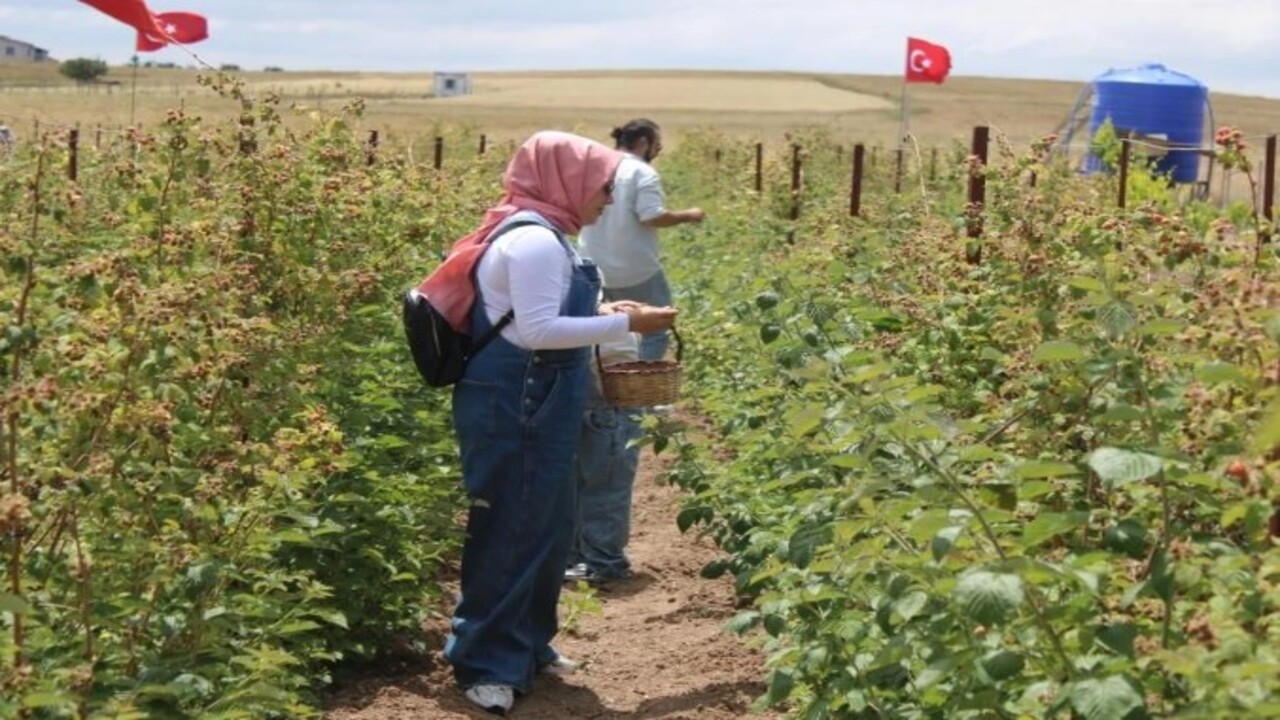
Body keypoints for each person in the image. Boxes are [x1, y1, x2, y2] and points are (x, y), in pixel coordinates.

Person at [442, 130, 678, 717]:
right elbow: (539, 331)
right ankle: (485, 664)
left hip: (536, 396)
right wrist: (630, 326)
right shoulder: (534, 242)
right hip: (516, 399)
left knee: (547, 524)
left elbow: (537, 314)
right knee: (511, 529)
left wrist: (603, 312)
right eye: (601, 186)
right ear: (564, 180)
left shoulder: (544, 234)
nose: (604, 199)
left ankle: (526, 644)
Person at [579, 118, 704, 361]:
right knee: (657, 329)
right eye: (658, 144)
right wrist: (689, 215)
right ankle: (637, 387)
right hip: (634, 269)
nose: (659, 150)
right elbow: (651, 216)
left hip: (593, 263)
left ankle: (606, 384)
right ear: (644, 142)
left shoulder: (598, 167)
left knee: (600, 328)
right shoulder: (642, 172)